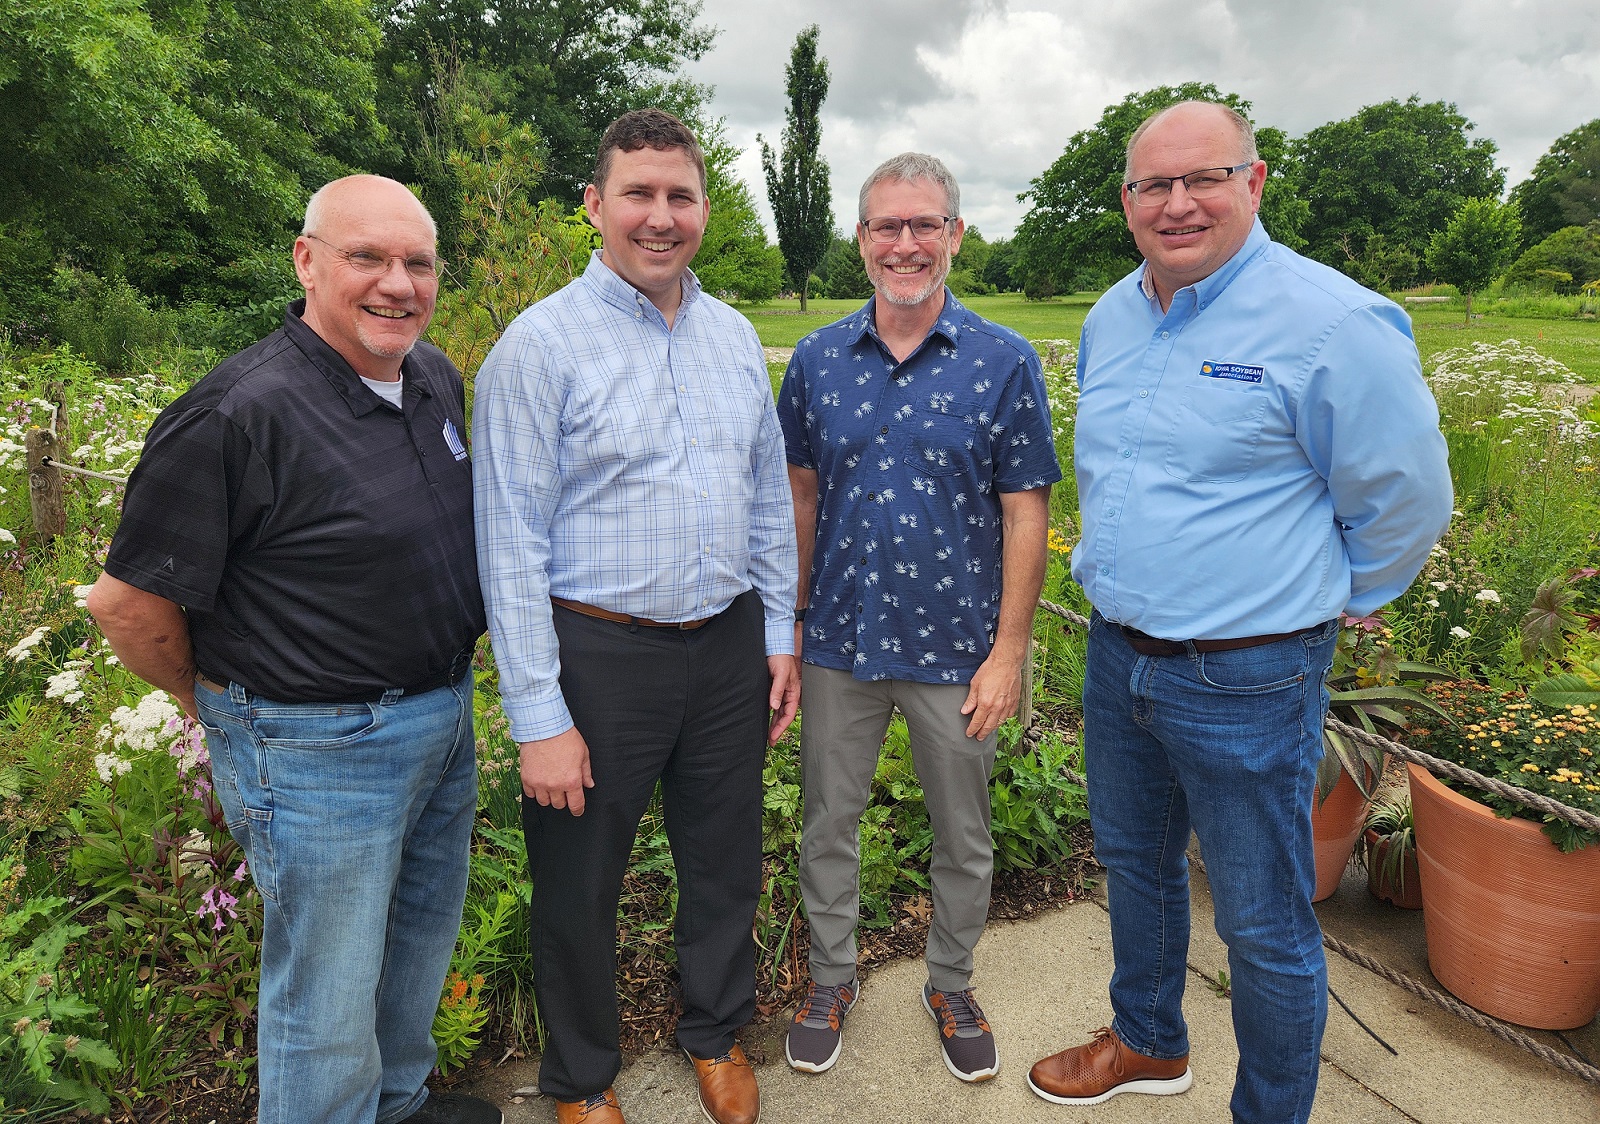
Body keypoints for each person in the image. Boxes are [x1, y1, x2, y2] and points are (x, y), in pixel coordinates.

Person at [1025, 102, 1452, 1122]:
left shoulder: (1332, 323)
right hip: (1117, 652)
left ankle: (1268, 1109)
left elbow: (1409, 494)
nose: (1177, 203)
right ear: (1126, 202)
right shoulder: (1111, 315)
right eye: (1151, 186)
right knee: (1134, 864)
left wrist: (1343, 593)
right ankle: (1146, 1038)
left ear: (1253, 183)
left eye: (1201, 178)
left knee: (1262, 922)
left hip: (1248, 676)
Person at [87, 175, 498, 1124]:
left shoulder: (431, 376)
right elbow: (124, 606)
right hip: (317, 748)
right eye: (368, 258)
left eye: (417, 263)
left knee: (414, 939)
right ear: (307, 261)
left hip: (439, 713)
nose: (398, 283)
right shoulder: (237, 413)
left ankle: (395, 1104)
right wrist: (218, 708)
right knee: (326, 988)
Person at [472, 109, 799, 1124]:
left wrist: (779, 631)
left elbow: (763, 498)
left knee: (723, 857)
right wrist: (537, 712)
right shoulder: (540, 346)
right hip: (597, 654)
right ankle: (580, 1076)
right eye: (638, 195)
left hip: (727, 639)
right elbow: (510, 539)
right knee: (578, 878)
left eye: (680, 196)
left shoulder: (734, 335)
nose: (660, 217)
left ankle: (713, 1030)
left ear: (702, 206)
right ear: (595, 205)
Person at [777, 152, 1060, 1084]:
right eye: (886, 227)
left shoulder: (1003, 361)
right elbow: (802, 496)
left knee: (963, 834)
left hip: (958, 650)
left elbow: (1026, 509)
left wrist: (1010, 651)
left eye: (923, 225)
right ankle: (830, 979)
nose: (905, 243)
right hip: (841, 642)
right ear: (861, 240)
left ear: (954, 236)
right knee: (829, 821)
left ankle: (951, 981)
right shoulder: (817, 360)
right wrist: (794, 619)